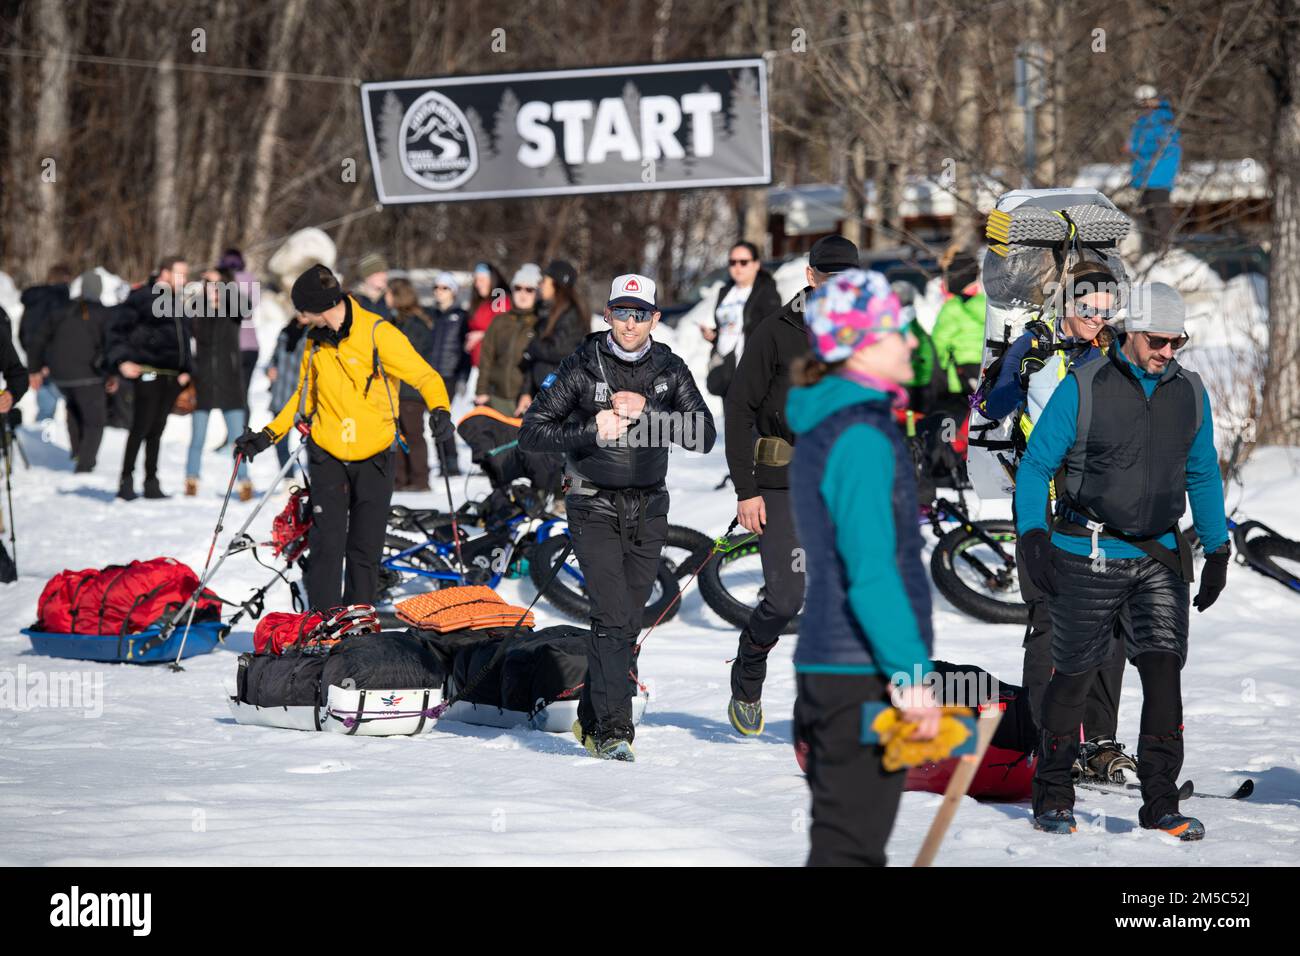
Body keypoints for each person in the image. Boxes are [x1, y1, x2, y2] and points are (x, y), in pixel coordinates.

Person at [1015, 282, 1228, 840]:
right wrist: (1033, 536)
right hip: (1086, 552)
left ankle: (1159, 803)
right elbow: (1036, 467)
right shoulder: (1083, 388)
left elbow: (1202, 470)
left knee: (1164, 676)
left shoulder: (1190, 391)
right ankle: (1054, 794)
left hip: (1158, 554)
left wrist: (1219, 546)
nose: (1167, 352)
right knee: (1074, 678)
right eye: (1157, 340)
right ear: (1130, 332)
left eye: (1177, 342)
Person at [519, 273, 716, 761]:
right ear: (607, 315)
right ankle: (614, 729)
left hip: (649, 505)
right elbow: (533, 432)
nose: (629, 323)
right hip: (593, 504)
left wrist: (649, 414)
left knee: (627, 619)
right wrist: (591, 428)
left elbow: (704, 435)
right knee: (611, 615)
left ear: (655, 318)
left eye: (639, 314)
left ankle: (590, 716)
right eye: (621, 312)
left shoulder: (668, 368)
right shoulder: (582, 366)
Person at [785, 268, 938, 867]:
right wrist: (910, 677)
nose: (909, 341)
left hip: (839, 665)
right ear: (861, 343)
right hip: (856, 671)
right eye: (896, 329)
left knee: (847, 846)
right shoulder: (860, 437)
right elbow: (871, 570)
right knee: (851, 852)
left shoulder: (835, 422)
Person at [977, 260, 1136, 781]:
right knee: (1048, 620)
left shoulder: (1113, 349)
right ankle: (1048, 744)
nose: (1098, 320)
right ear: (1068, 304)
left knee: (1109, 623)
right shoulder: (1033, 345)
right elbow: (988, 405)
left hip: (1099, 502)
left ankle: (1100, 745)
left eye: (1107, 311)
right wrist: (1012, 379)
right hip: (1042, 501)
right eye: (1089, 310)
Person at [233, 265, 453, 610]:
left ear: (318, 307)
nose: (300, 318)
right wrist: (268, 435)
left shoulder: (379, 333)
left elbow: (426, 376)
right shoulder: (315, 342)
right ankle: (322, 624)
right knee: (325, 545)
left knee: (364, 548)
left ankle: (357, 626)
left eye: (302, 310)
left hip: (375, 455)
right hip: (328, 453)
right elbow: (302, 397)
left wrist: (440, 410)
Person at [721, 234, 859, 736]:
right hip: (780, 480)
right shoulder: (776, 331)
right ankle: (749, 666)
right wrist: (745, 490)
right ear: (810, 276)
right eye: (830, 278)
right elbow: (738, 411)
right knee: (785, 598)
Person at [106, 255, 193, 500]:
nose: (185, 280)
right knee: (141, 426)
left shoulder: (177, 301)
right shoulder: (143, 297)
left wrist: (186, 367)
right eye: (181, 274)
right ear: (165, 273)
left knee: (157, 429)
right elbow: (117, 330)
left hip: (172, 376)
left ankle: (151, 481)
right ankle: (126, 480)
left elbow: (183, 337)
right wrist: (122, 361)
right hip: (147, 371)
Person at [26, 270, 115, 473]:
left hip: (61, 376)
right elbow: (111, 345)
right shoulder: (103, 313)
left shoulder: (62, 309)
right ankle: (86, 463)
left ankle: (77, 452)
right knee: (95, 419)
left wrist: (35, 368)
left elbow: (38, 339)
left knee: (74, 411)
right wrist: (111, 373)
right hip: (89, 375)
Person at [186, 267, 253, 500]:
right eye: (209, 285)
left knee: (237, 437)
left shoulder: (232, 310)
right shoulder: (197, 311)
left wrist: (225, 288)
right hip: (203, 381)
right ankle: (191, 480)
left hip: (229, 382)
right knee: (197, 437)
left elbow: (246, 307)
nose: (213, 290)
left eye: (218, 285)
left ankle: (244, 481)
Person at [702, 241, 781, 400]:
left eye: (743, 262)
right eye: (732, 262)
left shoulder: (767, 293)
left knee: (749, 421)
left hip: (752, 370)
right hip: (726, 367)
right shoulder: (725, 292)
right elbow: (727, 328)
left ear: (756, 264)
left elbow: (773, 331)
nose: (737, 267)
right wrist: (714, 335)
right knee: (731, 421)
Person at [518, 259, 589, 418]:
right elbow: (534, 359)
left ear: (556, 284)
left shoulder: (572, 315)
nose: (541, 284)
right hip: (539, 389)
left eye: (545, 280)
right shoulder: (545, 310)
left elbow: (561, 350)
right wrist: (526, 392)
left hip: (559, 394)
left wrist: (532, 346)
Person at [386, 277, 435, 491]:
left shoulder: (415, 324)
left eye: (389, 293)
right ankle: (400, 478)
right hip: (395, 389)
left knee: (413, 435)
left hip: (411, 390)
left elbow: (409, 356)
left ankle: (420, 479)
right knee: (397, 435)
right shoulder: (395, 321)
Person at [475, 263, 540, 416]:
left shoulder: (540, 324)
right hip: (495, 396)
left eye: (529, 289)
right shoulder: (500, 321)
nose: (523, 294)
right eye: (518, 288)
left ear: (537, 293)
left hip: (524, 400)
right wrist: (481, 390)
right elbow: (486, 357)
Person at [927, 249, 985, 415]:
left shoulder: (952, 307)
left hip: (960, 372)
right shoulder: (985, 304)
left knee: (962, 415)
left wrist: (941, 367)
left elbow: (939, 342)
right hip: (984, 368)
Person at [426, 272, 471, 475]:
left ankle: (451, 461)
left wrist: (463, 376)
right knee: (435, 418)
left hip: (449, 374)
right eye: (436, 287)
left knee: (442, 415)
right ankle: (442, 459)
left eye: (444, 288)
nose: (439, 292)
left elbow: (465, 350)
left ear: (452, 291)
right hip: (431, 374)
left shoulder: (461, 316)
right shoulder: (431, 315)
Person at [1128, 86, 1182, 254]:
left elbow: (1164, 147)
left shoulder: (1161, 120)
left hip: (1158, 177)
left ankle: (1164, 251)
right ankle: (1151, 253)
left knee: (1159, 216)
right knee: (1146, 217)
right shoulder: (1143, 121)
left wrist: (1134, 147)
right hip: (1144, 176)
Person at [20, 264, 73, 422]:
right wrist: (49, 361)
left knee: (45, 411)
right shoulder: (60, 299)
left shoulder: (33, 301)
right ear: (65, 279)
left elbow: (24, 335)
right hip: (55, 365)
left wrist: (35, 364)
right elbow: (62, 333)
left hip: (37, 366)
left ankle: (40, 442)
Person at [265, 309, 310, 480]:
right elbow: (273, 358)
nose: (303, 314)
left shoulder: (315, 334)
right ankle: (288, 479)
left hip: (302, 396)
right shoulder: (285, 332)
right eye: (300, 310)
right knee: (280, 442)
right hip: (281, 393)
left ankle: (314, 480)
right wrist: (270, 369)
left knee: (311, 444)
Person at [218, 248, 261, 418]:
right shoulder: (251, 279)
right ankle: (239, 434)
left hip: (234, 347)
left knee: (233, 395)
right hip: (251, 347)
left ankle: (238, 435)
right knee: (242, 393)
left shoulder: (223, 282)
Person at [465, 261, 510, 370]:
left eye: (482, 280)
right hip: (476, 363)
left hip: (493, 365)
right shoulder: (480, 301)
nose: (477, 284)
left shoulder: (499, 298)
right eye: (476, 280)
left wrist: (481, 335)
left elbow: (505, 329)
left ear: (492, 280)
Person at [352, 252, 391, 321]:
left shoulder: (391, 298)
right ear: (367, 276)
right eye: (378, 272)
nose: (384, 276)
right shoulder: (354, 300)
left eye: (384, 271)